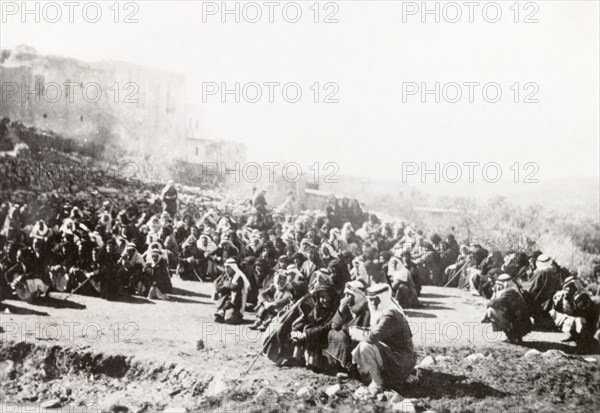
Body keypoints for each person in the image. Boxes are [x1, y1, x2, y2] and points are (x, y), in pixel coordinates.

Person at [349, 283, 416, 395]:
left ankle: (378, 382)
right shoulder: (387, 308)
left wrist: (356, 333)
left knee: (365, 346)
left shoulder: (390, 313)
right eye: (371, 300)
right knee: (364, 343)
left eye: (377, 299)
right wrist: (360, 330)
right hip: (397, 356)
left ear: (383, 298)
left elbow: (373, 337)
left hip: (402, 360)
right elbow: (374, 330)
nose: (374, 303)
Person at [324, 280, 370, 376]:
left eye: (350, 295)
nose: (346, 298)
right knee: (333, 333)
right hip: (347, 337)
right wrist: (340, 309)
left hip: (358, 339)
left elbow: (364, 328)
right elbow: (334, 325)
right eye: (345, 295)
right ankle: (341, 367)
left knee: (342, 337)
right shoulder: (346, 306)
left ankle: (350, 369)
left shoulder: (366, 309)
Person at [482, 274, 532, 343]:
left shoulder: (509, 292)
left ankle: (513, 336)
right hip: (522, 322)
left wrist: (494, 294)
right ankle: (514, 337)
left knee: (491, 310)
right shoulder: (514, 290)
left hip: (519, 324)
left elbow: (494, 303)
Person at [213, 258, 250, 324]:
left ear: (233, 267)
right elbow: (217, 287)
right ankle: (222, 311)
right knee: (217, 319)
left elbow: (236, 288)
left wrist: (226, 285)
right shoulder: (225, 275)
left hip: (235, 303)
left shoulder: (239, 276)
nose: (226, 269)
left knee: (229, 320)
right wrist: (226, 285)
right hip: (224, 301)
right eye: (225, 267)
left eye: (228, 267)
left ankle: (229, 313)